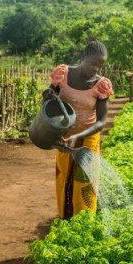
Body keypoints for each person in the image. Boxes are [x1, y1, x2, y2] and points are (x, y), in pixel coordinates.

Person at [43, 40, 113, 220]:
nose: (96, 69)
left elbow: (100, 122)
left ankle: (83, 221)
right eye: (93, 63)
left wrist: (78, 135)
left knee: (85, 181)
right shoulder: (63, 75)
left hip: (88, 137)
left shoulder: (101, 85)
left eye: (100, 65)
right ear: (82, 57)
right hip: (64, 135)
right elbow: (48, 104)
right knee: (64, 176)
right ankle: (65, 218)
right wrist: (48, 95)